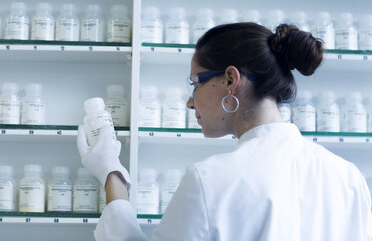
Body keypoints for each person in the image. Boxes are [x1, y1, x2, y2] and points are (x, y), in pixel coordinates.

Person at [77, 23, 371, 241]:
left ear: (230, 79)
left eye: (196, 82)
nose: (190, 101)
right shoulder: (349, 177)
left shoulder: (209, 180)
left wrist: (111, 172)